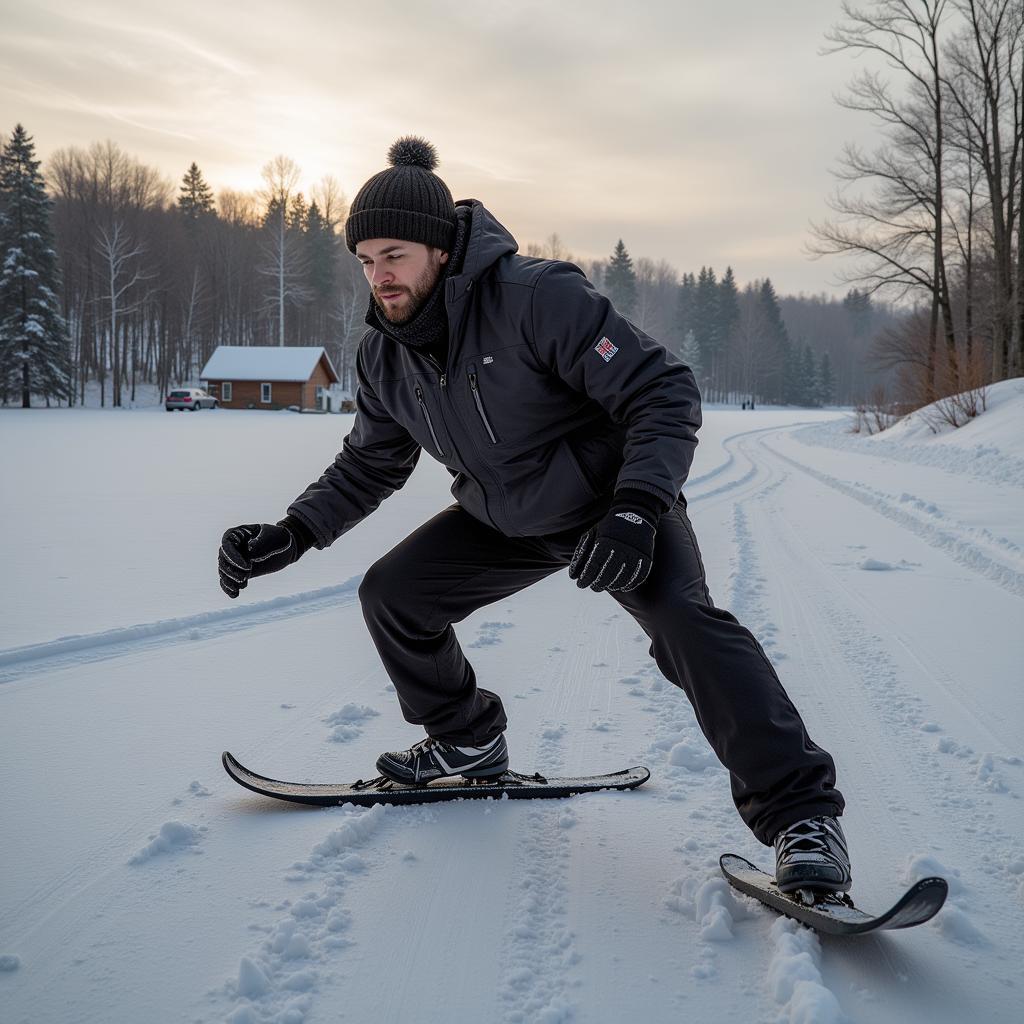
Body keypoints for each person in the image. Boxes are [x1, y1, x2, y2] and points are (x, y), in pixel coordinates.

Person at [218, 137, 850, 894]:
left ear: (442, 250)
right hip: (504, 516)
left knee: (687, 628)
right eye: (365, 261)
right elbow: (371, 462)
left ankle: (802, 820)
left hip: (611, 507)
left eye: (394, 255)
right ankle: (467, 743)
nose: (379, 277)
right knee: (393, 596)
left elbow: (664, 391)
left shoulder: (536, 298)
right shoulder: (384, 354)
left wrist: (640, 508)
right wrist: (294, 532)